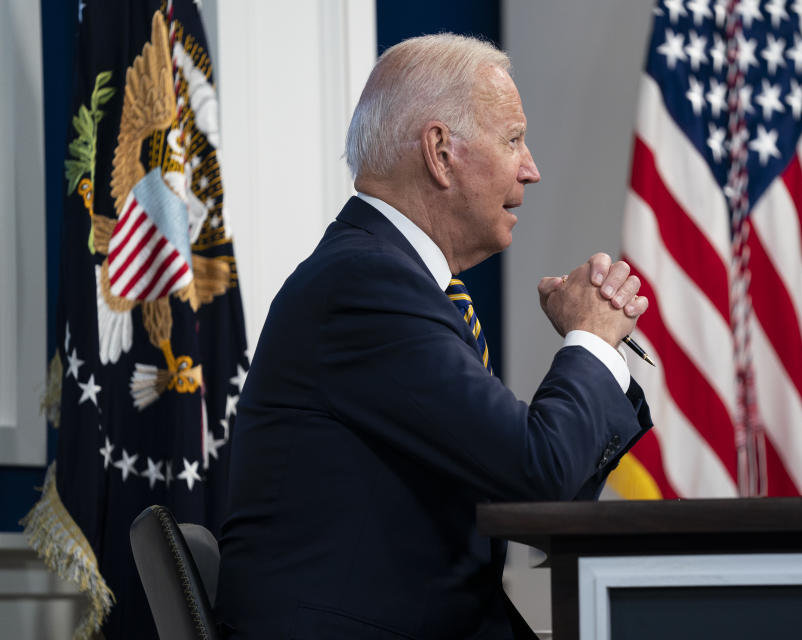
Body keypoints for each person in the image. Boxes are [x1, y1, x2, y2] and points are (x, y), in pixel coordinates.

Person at [215, 34, 654, 639]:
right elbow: (536, 472)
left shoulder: (391, 281)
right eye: (514, 139)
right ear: (441, 152)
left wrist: (594, 346)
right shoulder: (368, 285)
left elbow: (534, 503)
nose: (532, 168)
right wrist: (591, 340)